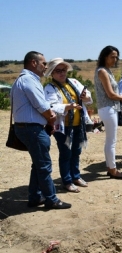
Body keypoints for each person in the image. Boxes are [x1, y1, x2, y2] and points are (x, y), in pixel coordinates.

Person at [12, 51, 71, 209]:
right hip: (32, 130)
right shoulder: (29, 80)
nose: (46, 67)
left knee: (38, 164)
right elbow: (43, 107)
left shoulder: (22, 80)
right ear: (33, 63)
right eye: (43, 63)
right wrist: (51, 120)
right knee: (44, 165)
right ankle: (51, 199)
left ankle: (35, 196)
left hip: (28, 128)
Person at [44, 58, 92, 193]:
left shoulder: (74, 83)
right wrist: (67, 106)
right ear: (52, 73)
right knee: (66, 153)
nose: (62, 73)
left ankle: (75, 176)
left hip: (78, 124)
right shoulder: (50, 88)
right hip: (63, 126)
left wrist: (86, 96)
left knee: (76, 151)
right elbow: (51, 105)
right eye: (58, 71)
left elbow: (87, 97)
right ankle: (67, 180)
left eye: (63, 70)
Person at [94, 45, 122, 179]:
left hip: (109, 108)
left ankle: (111, 167)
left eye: (116, 57)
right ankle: (113, 170)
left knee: (110, 140)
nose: (115, 59)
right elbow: (110, 94)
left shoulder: (106, 70)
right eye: (112, 57)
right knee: (111, 141)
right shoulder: (103, 71)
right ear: (105, 57)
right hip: (108, 108)